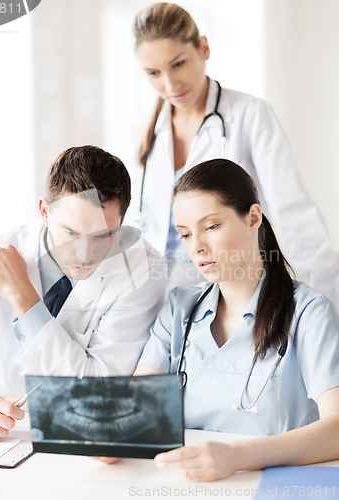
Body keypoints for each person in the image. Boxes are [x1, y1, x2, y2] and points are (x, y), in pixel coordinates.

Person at [131, 159, 339, 481]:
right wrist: (107, 437)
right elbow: (134, 409)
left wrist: (236, 458)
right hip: (186, 484)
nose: (197, 247)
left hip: (276, 485)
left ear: (253, 218)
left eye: (211, 227)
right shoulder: (178, 309)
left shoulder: (309, 312)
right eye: (185, 235)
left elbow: (336, 429)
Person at [125, 1, 339, 305]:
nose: (169, 84)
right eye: (153, 73)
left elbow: (295, 216)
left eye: (178, 64)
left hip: (237, 289)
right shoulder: (145, 129)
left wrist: (332, 300)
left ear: (203, 48)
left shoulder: (250, 115)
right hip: (163, 296)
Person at [0, 145, 166, 443]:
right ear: (44, 211)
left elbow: (99, 391)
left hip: (86, 442)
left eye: (103, 236)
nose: (85, 255)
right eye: (71, 233)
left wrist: (24, 298)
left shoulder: (144, 271)